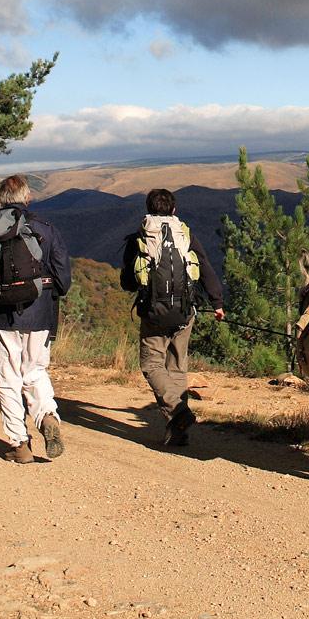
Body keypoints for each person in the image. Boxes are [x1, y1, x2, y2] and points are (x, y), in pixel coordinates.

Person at [0, 174, 71, 464]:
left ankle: (19, 444)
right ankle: (47, 417)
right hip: (40, 314)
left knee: (7, 379)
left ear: (1, 200)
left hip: (1, 317)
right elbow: (63, 277)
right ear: (28, 197)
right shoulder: (45, 228)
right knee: (34, 372)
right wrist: (51, 294)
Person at [120, 188, 224, 446]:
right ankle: (179, 428)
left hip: (154, 314)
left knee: (152, 365)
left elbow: (127, 282)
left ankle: (178, 413)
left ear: (148, 209)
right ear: (174, 210)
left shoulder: (139, 239)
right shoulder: (185, 236)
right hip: (185, 312)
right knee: (177, 367)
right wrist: (217, 302)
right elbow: (206, 267)